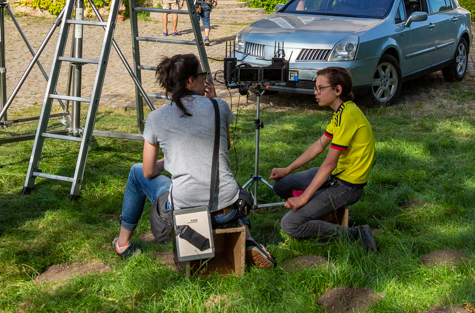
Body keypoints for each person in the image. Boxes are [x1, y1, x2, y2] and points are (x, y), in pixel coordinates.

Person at [113, 54, 275, 268]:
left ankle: (123, 243)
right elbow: (224, 146)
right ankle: (247, 238)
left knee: (136, 171)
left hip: (187, 215)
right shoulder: (219, 106)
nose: (205, 79)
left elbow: (148, 171)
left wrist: (167, 162)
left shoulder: (156, 118)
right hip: (227, 211)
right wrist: (213, 102)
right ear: (191, 81)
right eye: (203, 75)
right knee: (226, 181)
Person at [269, 66, 378, 252]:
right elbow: (319, 145)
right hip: (334, 177)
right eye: (315, 88)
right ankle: (321, 209)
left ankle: (357, 234)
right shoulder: (341, 112)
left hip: (346, 186)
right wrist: (288, 169)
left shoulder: (348, 115)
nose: (315, 92)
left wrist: (304, 198)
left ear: (337, 90)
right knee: (281, 185)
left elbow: (329, 164)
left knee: (290, 225)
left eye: (320, 88)